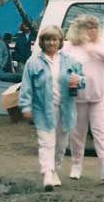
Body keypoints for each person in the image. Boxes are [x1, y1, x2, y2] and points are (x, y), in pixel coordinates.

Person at [19, 25, 85, 192]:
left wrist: (78, 80)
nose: (51, 43)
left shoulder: (70, 61)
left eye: (54, 39)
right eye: (48, 39)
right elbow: (26, 87)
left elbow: (83, 80)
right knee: (46, 142)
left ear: (60, 41)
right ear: (42, 41)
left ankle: (54, 168)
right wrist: (25, 107)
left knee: (61, 145)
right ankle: (47, 174)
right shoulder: (33, 62)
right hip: (42, 109)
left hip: (65, 109)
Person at [63, 15, 104, 181]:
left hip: (99, 95)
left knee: (99, 130)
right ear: (79, 30)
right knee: (77, 133)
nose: (92, 31)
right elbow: (61, 68)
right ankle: (76, 164)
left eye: (95, 27)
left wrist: (94, 50)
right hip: (77, 96)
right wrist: (68, 79)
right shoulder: (69, 47)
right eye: (88, 27)